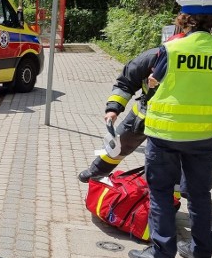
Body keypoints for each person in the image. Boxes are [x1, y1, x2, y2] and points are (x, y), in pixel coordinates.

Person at [128, 0, 212, 258]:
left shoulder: (172, 49)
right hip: (204, 135)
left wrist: (151, 83)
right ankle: (201, 253)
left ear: (183, 19)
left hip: (166, 132)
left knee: (161, 192)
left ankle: (162, 254)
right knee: (200, 194)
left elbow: (156, 81)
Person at [78, 31, 186, 183]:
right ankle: (95, 172)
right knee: (118, 144)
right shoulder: (150, 58)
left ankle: (169, 199)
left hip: (175, 122)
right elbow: (126, 83)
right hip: (143, 114)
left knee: (170, 163)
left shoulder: (191, 68)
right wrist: (113, 109)